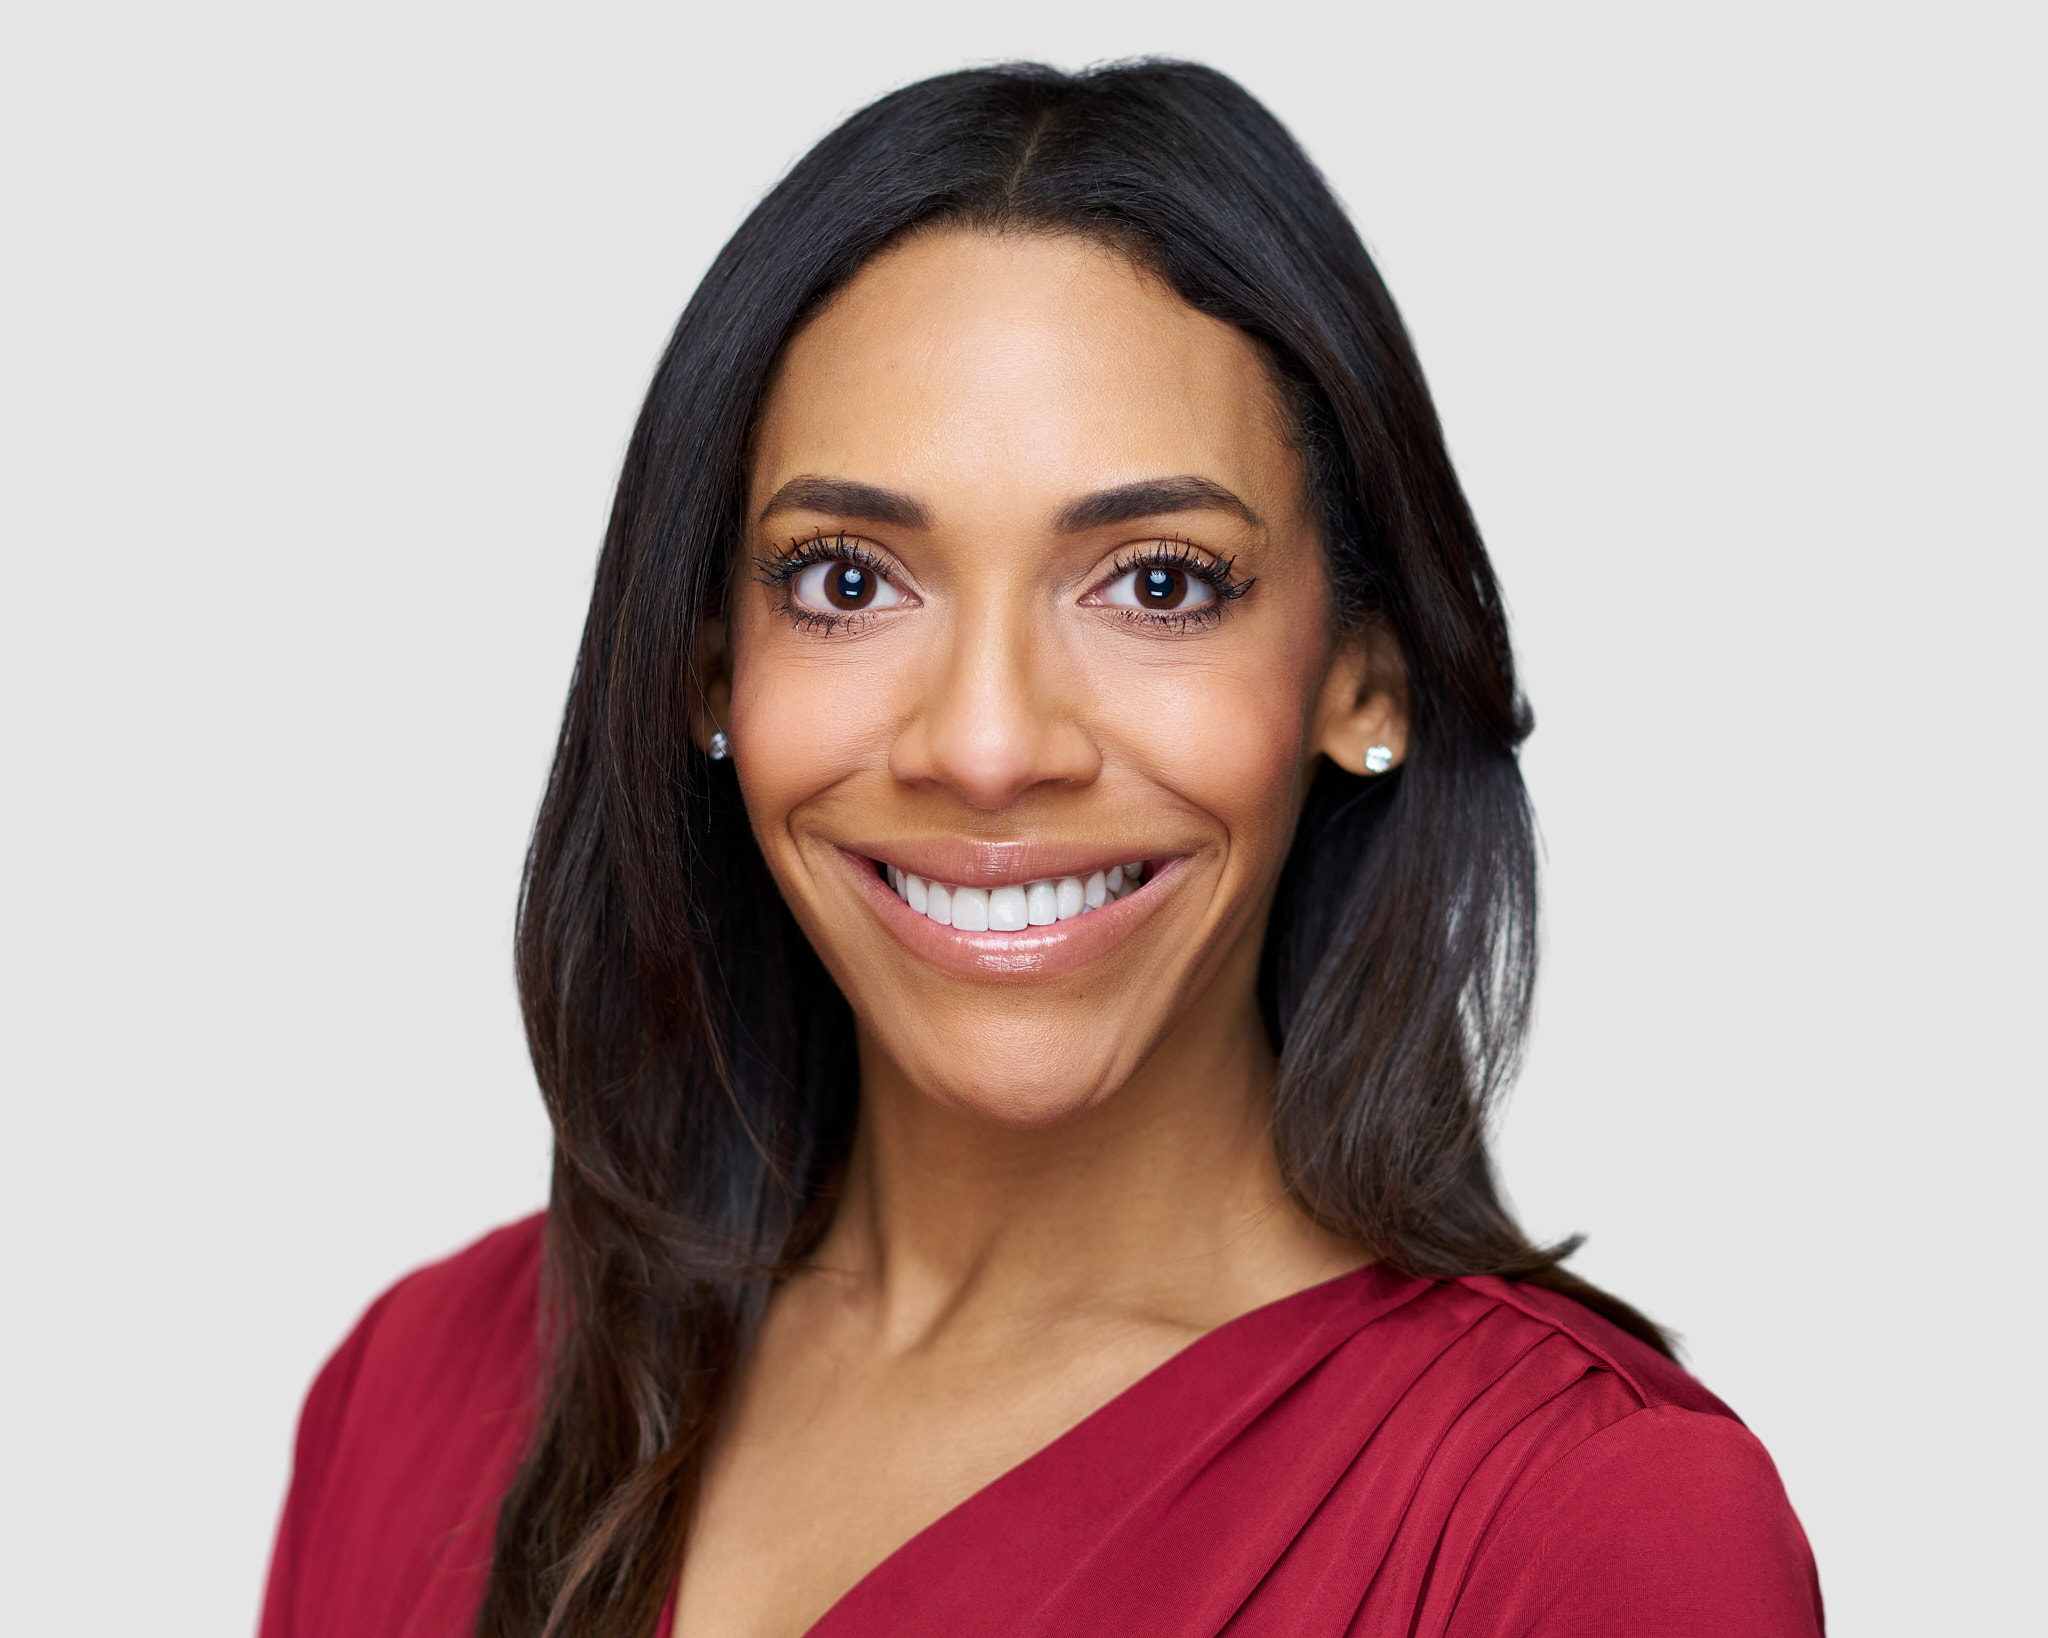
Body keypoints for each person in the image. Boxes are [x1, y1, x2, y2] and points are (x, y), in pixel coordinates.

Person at [259, 60, 1823, 1638]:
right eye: (849, 581)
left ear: (1367, 678)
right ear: (710, 666)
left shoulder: (1585, 1519)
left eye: (1157, 584)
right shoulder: (419, 1389)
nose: (990, 743)